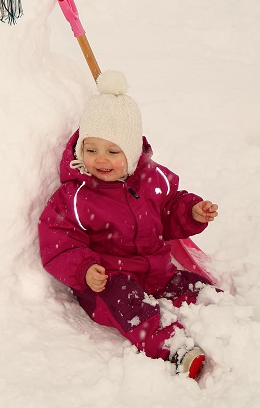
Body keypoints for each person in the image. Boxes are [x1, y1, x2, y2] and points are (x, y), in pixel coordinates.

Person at [38, 70, 219, 379]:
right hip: (109, 282)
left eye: (113, 151)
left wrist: (191, 213)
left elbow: (169, 208)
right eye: (91, 149)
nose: (101, 160)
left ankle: (223, 315)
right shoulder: (76, 196)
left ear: (133, 151)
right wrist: (84, 269)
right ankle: (173, 346)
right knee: (130, 303)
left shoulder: (152, 179)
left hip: (157, 272)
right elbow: (57, 240)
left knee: (194, 288)